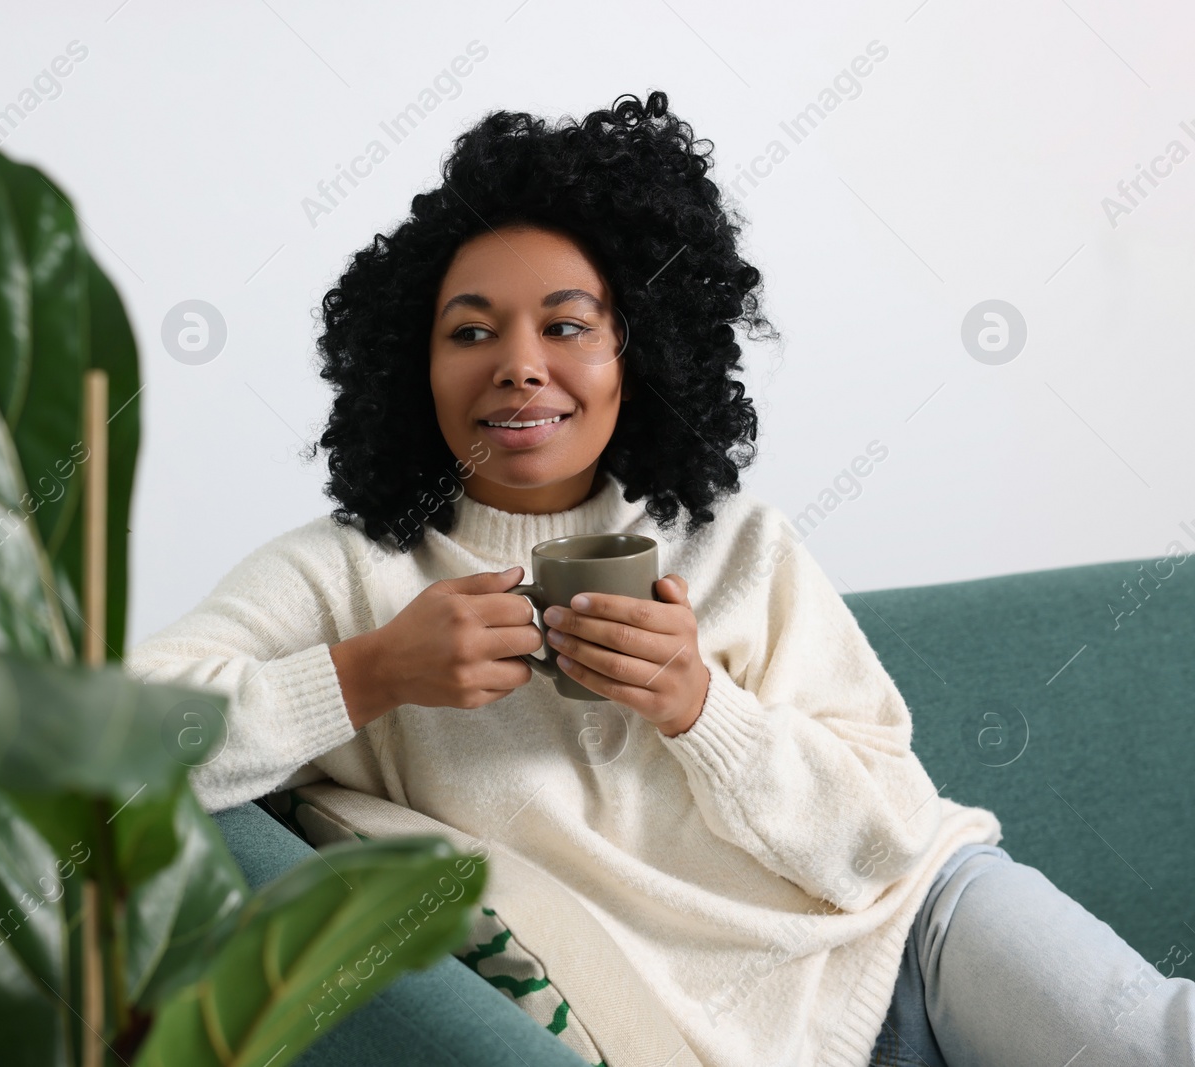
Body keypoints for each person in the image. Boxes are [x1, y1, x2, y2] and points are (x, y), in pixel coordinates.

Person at [127, 91, 1195, 1067]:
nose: (518, 363)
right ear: (414, 366)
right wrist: (365, 673)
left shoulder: (737, 545)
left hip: (911, 935)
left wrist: (702, 708)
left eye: (566, 324)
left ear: (637, 354)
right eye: (469, 331)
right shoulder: (349, 571)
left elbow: (887, 840)